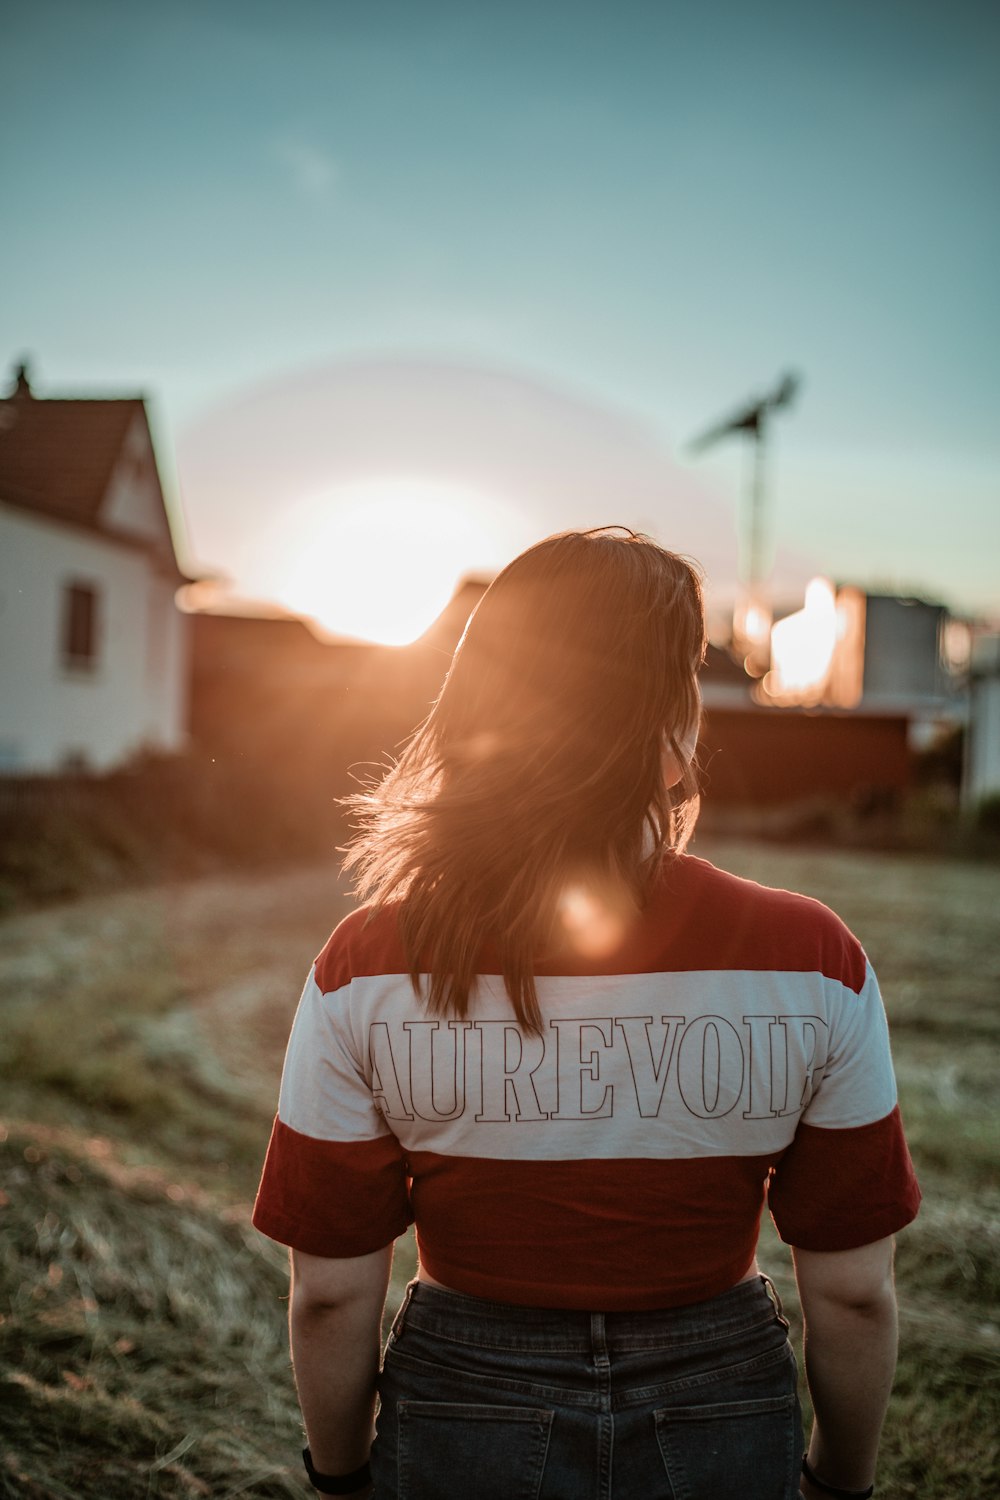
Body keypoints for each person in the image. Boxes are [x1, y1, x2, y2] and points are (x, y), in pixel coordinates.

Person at [253, 528, 920, 1500]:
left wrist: (343, 1480)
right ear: (670, 735)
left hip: (462, 1405)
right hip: (720, 1403)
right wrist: (838, 1483)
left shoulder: (362, 967)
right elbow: (854, 1292)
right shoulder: (813, 958)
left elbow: (326, 1296)